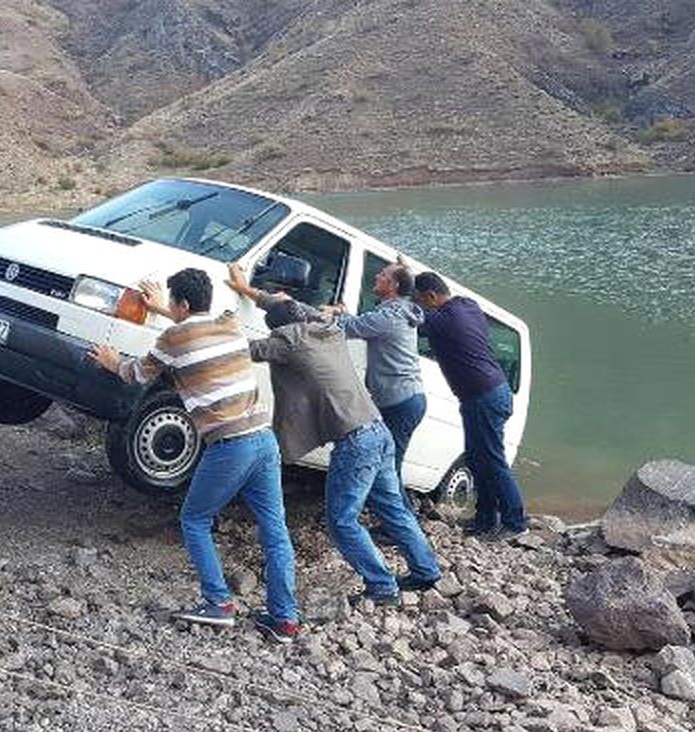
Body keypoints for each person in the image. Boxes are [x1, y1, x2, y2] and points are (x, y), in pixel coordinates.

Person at [88, 268, 301, 643]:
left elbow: (136, 373)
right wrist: (164, 310)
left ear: (182, 304)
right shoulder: (230, 324)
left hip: (230, 446)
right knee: (274, 530)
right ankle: (284, 620)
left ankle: (219, 602)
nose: (170, 308)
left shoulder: (174, 336)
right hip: (265, 442)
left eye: (172, 303)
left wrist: (109, 360)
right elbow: (194, 329)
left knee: (194, 519)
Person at [227, 264, 441, 606]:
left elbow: (243, 351)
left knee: (342, 520)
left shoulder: (286, 340)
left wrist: (205, 327)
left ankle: (382, 585)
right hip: (378, 429)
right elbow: (297, 309)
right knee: (392, 507)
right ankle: (426, 570)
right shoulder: (326, 330)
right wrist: (258, 295)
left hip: (356, 440)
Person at [411, 271, 528, 541]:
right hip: (493, 391)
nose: (421, 305)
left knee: (493, 460)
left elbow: (410, 317)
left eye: (421, 300)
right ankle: (486, 519)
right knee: (478, 459)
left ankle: (516, 521)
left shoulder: (439, 321)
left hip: (483, 396)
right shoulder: (468, 306)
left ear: (430, 297)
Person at [321, 260, 425, 488]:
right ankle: (393, 519)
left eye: (383, 274)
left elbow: (349, 328)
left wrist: (319, 313)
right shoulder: (394, 311)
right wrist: (342, 312)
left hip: (400, 400)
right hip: (404, 397)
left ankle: (401, 522)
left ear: (394, 285)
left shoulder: (391, 316)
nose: (377, 276)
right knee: (383, 463)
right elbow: (363, 323)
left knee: (387, 466)